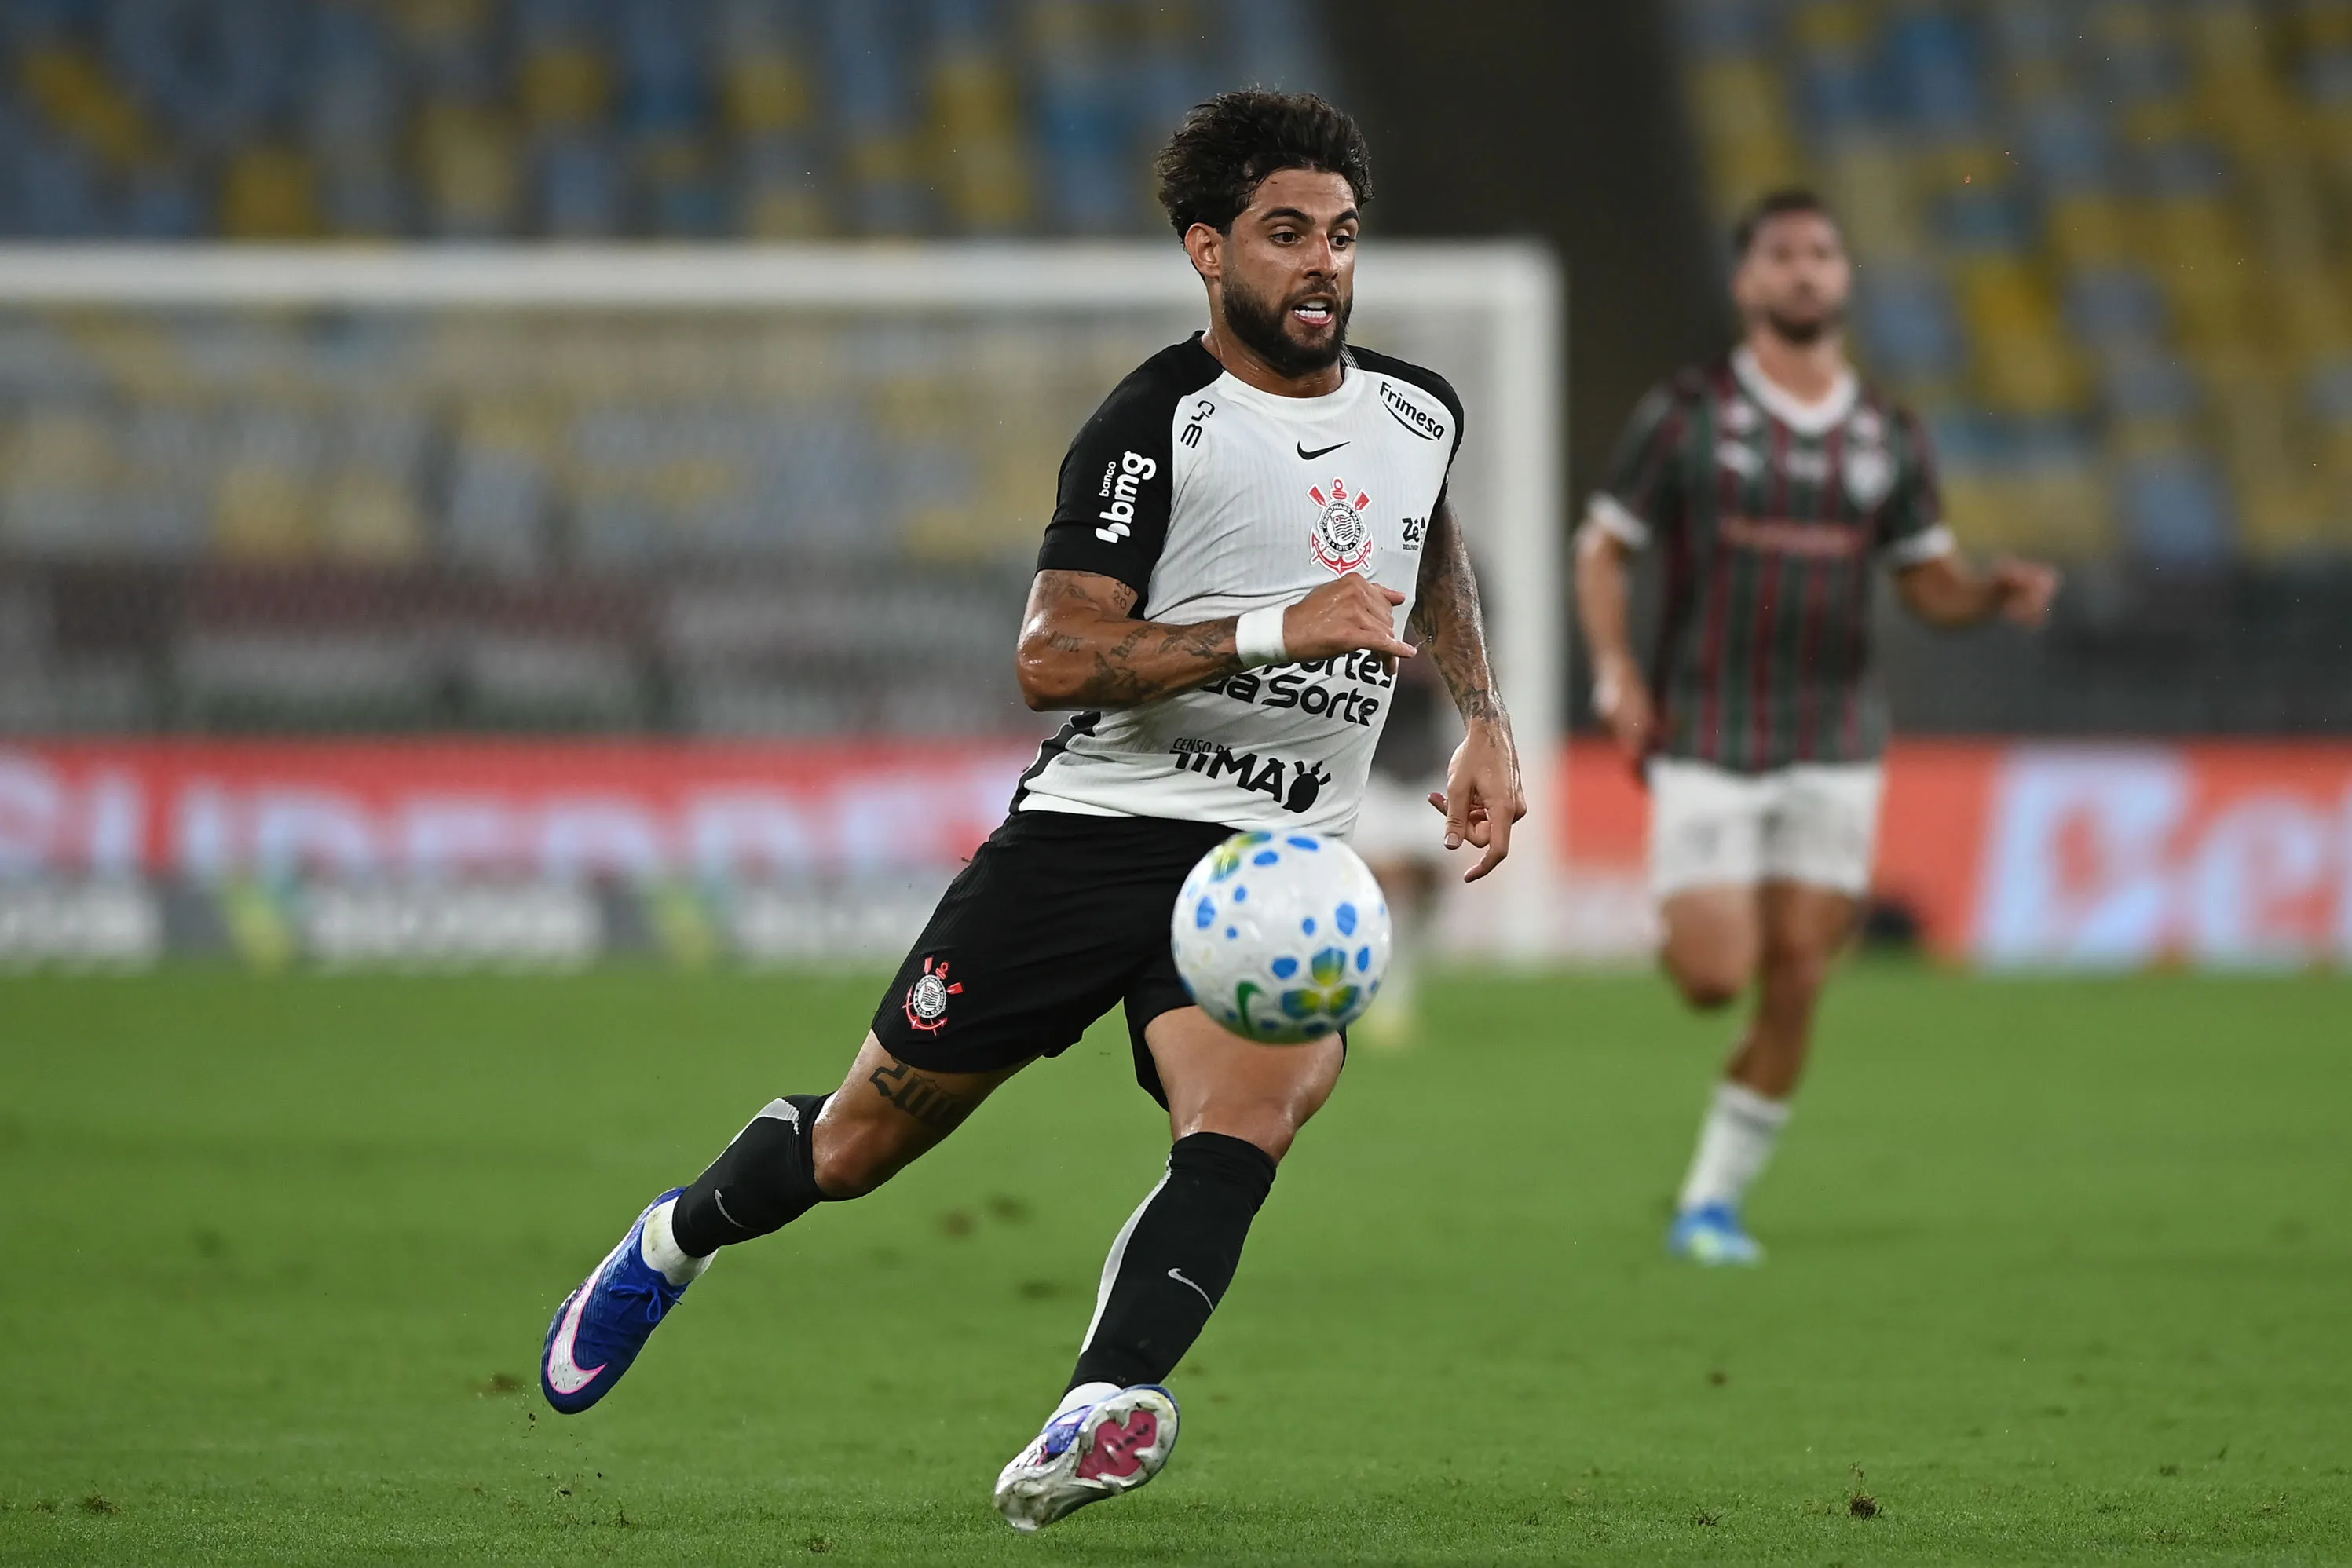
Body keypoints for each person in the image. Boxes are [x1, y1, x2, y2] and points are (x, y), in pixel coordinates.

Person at [538, 90, 1524, 1531]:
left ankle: (1101, 1402)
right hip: (1093, 842)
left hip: (1273, 863)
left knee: (1256, 1113)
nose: (1322, 264)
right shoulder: (1151, 426)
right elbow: (1050, 657)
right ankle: (671, 1240)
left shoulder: (1417, 407)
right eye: (1285, 234)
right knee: (857, 1148)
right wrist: (1271, 632)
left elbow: (1423, 535)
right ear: (1207, 250)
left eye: (1343, 237)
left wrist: (1485, 717)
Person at [1575, 188, 2058, 1266]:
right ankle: (1697, 955)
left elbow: (1925, 582)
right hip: (1705, 728)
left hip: (1836, 736)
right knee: (1711, 977)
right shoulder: (1688, 412)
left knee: (1797, 974)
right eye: (1781, 256)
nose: (1803, 271)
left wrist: (1985, 595)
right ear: (1747, 282)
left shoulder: (1888, 433)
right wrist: (1614, 669)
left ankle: (1710, 1204)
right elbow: (1602, 546)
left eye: (1821, 255)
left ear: (1841, 280)